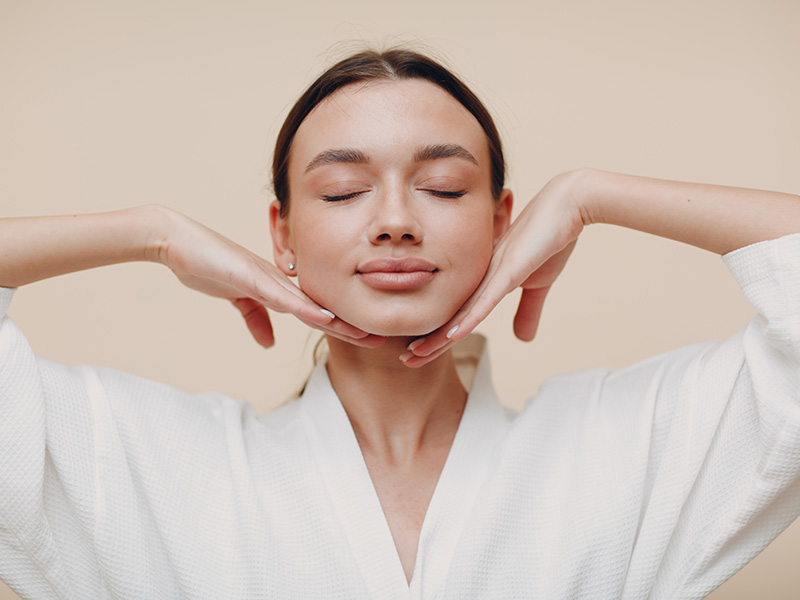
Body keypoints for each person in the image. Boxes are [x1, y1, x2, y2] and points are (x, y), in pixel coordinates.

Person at [1, 48, 799, 599]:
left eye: (445, 188)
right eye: (344, 191)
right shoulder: (152, 462)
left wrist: (596, 194)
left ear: (504, 221)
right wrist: (152, 232)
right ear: (281, 234)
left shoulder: (618, 446)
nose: (393, 221)